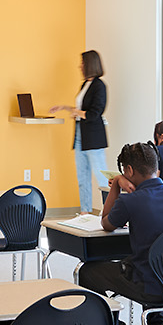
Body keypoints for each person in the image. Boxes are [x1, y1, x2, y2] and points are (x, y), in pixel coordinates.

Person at [77, 141, 163, 325]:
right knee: (156, 263)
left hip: (149, 287)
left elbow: (106, 223)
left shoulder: (131, 201)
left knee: (88, 272)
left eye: (123, 172)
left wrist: (116, 186)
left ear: (129, 171)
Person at [50, 50, 107, 212]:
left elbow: (95, 112)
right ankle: (85, 212)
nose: (79, 66)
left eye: (82, 63)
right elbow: (82, 109)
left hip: (94, 138)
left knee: (101, 178)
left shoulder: (99, 86)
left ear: (90, 64)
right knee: (82, 177)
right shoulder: (85, 84)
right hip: (80, 136)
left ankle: (111, 213)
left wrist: (77, 113)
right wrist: (65, 108)